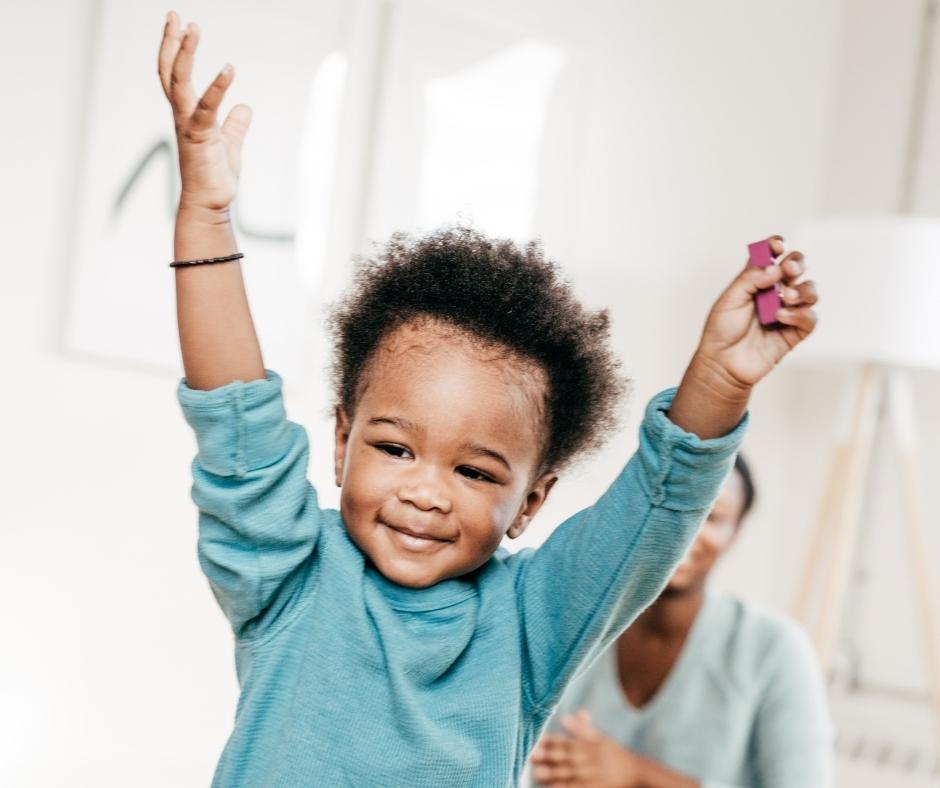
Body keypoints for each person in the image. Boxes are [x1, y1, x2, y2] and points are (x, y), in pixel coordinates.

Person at [158, 11, 819, 786]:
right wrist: (204, 213)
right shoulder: (291, 574)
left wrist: (721, 379)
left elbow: (652, 511)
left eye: (474, 472)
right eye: (395, 448)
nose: (426, 493)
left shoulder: (533, 622)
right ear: (342, 441)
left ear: (532, 500)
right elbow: (235, 416)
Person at [530, 455, 833, 788]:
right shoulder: (575, 625)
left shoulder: (774, 648)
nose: (684, 529)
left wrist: (635, 775)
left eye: (710, 516)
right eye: (670, 506)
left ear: (735, 531)